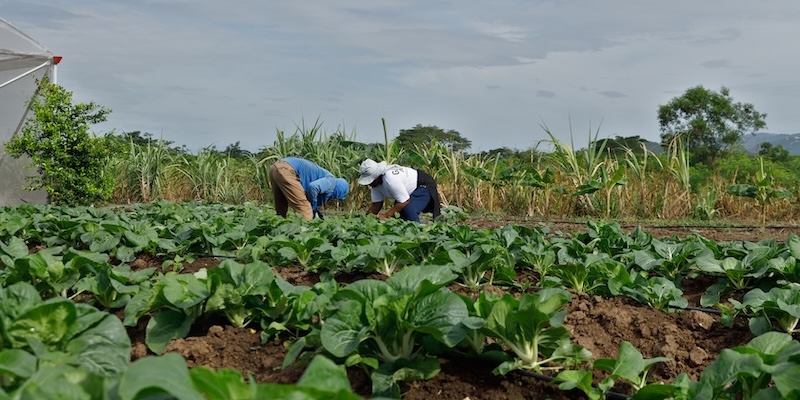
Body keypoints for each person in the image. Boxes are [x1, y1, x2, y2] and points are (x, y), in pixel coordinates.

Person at [357, 158, 440, 223]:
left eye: (370, 180)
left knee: (408, 210)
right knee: (399, 213)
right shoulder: (375, 185)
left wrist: (386, 215)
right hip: (408, 192)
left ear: (376, 176)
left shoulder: (390, 179)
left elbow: (404, 201)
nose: (369, 184)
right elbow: (376, 205)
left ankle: (416, 233)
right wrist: (365, 221)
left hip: (422, 185)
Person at [269, 157, 349, 221]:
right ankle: (305, 235)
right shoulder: (331, 181)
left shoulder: (323, 175)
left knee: (281, 208)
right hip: (287, 169)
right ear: (339, 191)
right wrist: (313, 208)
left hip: (275, 168)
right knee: (305, 209)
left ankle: (278, 233)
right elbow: (313, 187)